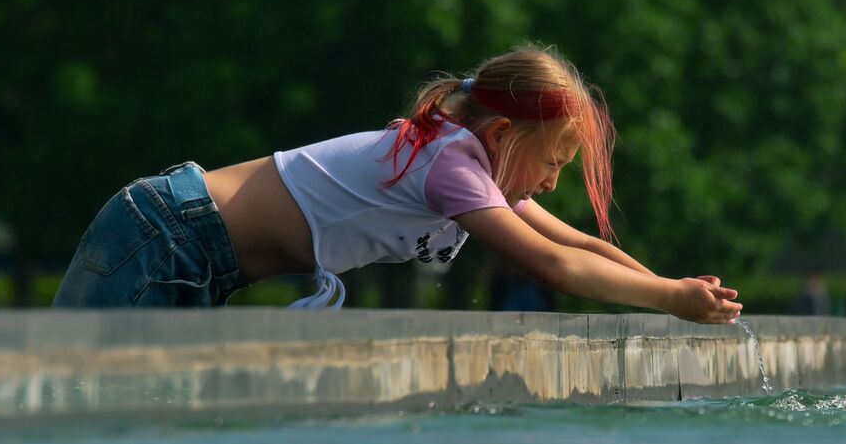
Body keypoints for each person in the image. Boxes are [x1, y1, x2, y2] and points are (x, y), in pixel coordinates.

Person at [51, 46, 741, 325]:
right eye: (554, 163)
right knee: (65, 414)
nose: (553, 185)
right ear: (502, 137)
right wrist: (670, 300)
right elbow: (552, 264)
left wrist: (678, 289)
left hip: (193, 247)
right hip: (166, 234)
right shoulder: (453, 166)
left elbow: (578, 243)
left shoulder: (473, 164)